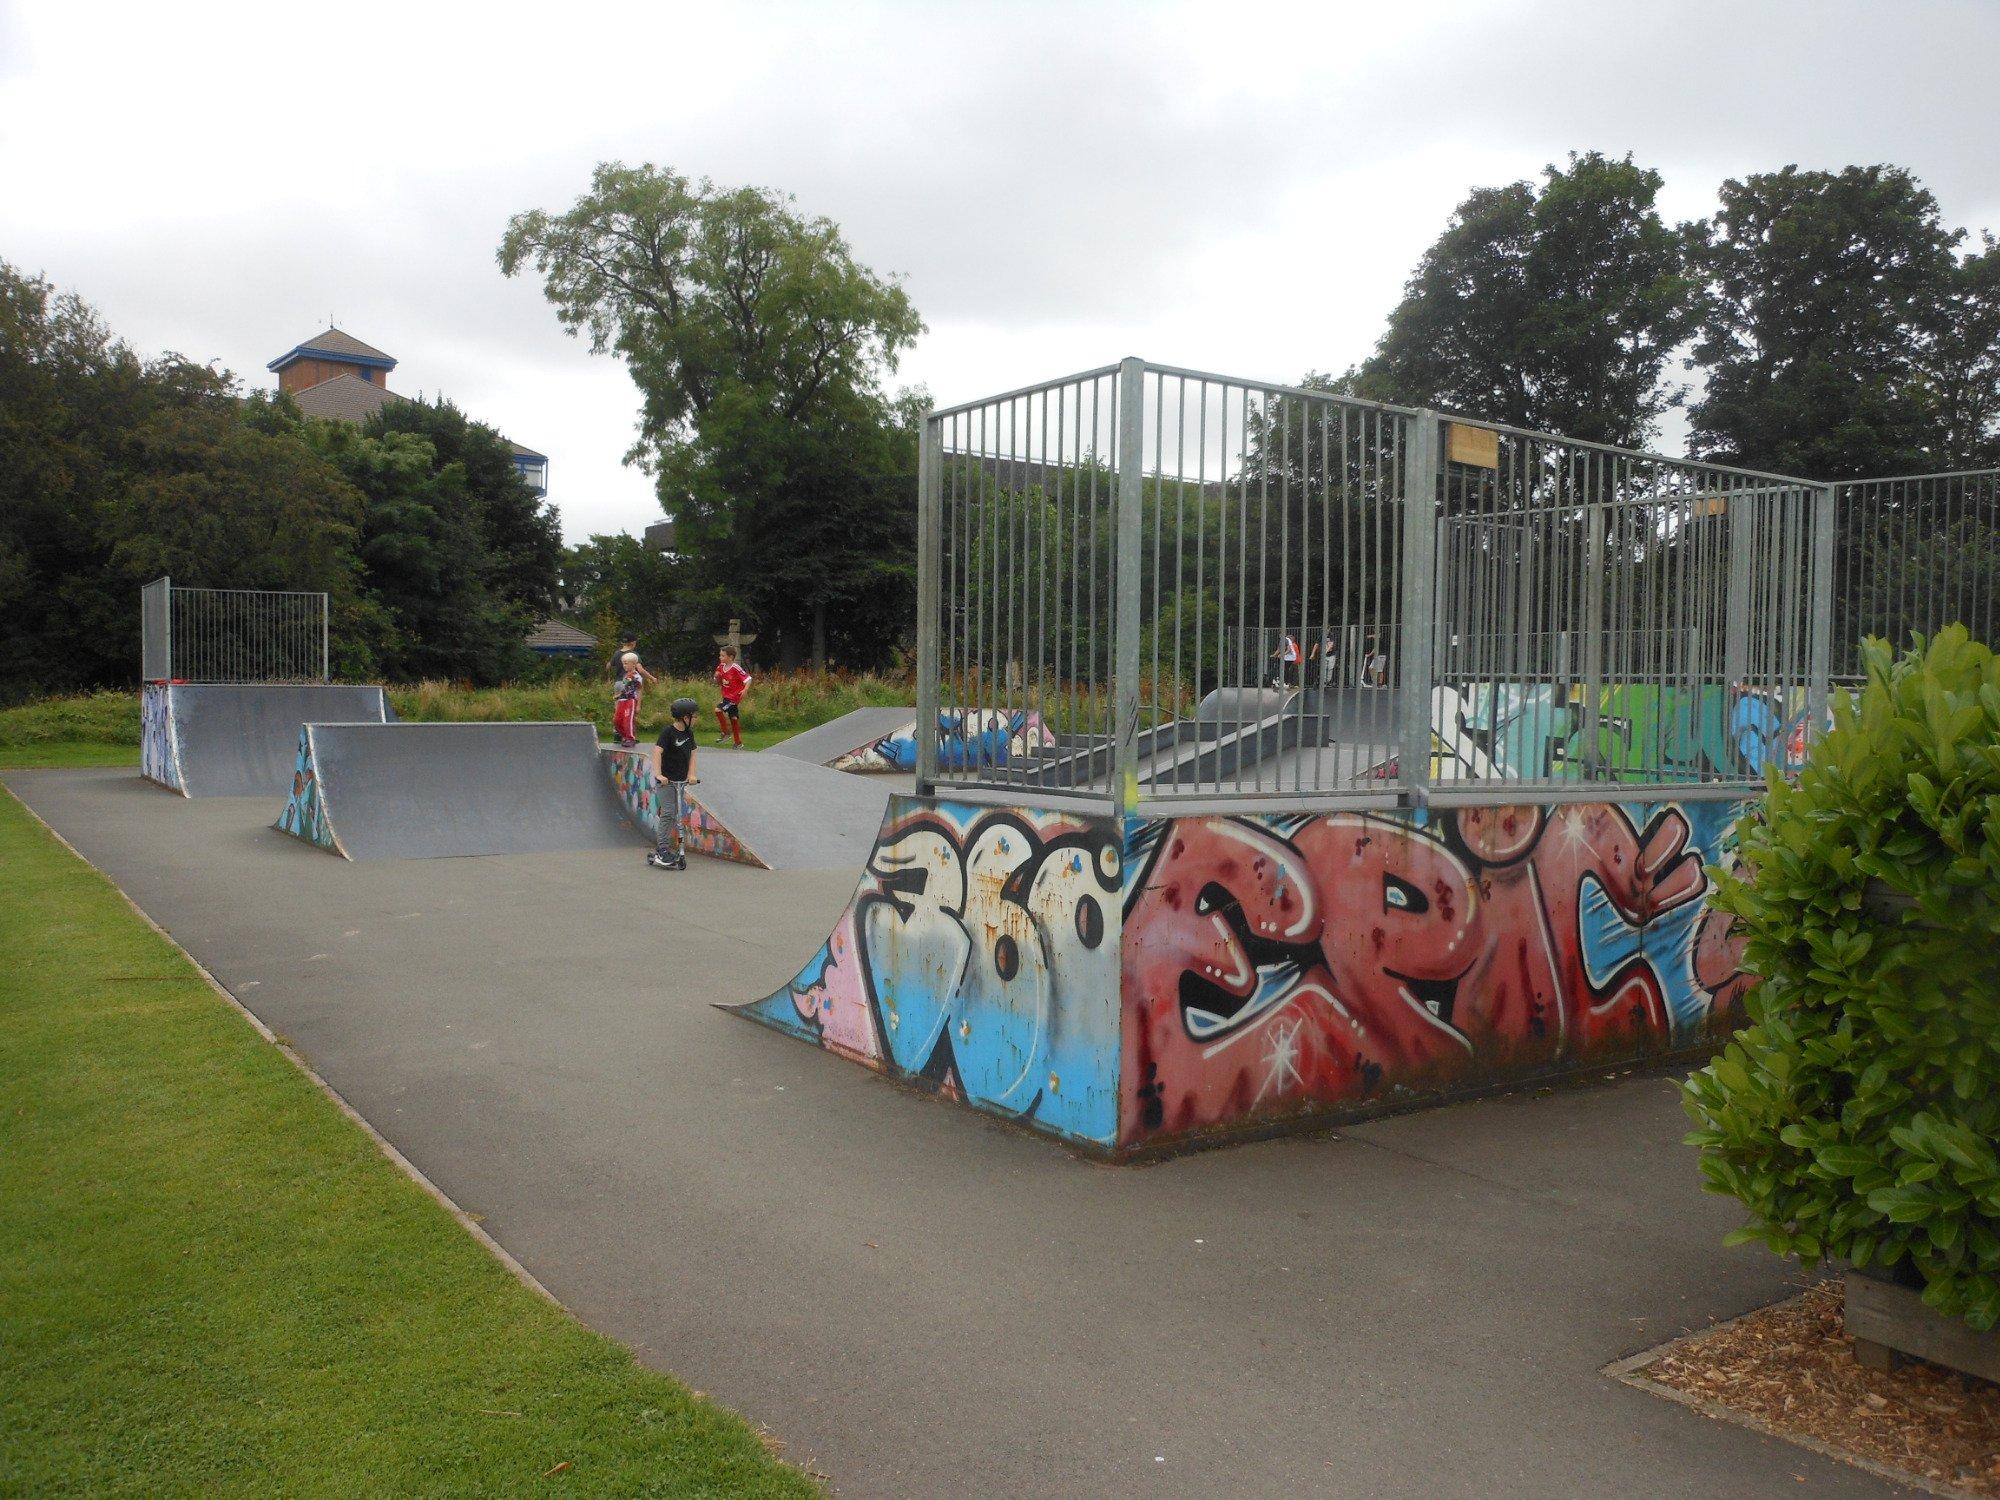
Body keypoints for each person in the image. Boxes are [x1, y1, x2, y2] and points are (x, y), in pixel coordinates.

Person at [647, 697, 700, 870]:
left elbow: (693, 754)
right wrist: (659, 774)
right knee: (668, 813)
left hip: (680, 781)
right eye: (694, 715)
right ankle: (662, 850)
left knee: (676, 813)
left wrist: (691, 774)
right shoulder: (667, 732)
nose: (696, 718)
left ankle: (666, 850)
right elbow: (657, 752)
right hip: (666, 781)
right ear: (685, 717)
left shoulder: (688, 734)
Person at [714, 645, 752, 747]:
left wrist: (745, 689)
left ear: (730, 657)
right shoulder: (721, 666)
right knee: (734, 718)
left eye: (722, 656)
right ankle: (738, 742)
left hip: (734, 698)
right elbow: (718, 680)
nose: (720, 657)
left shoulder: (735, 667)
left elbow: (748, 679)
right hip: (726, 696)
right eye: (720, 655)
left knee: (718, 710)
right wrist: (717, 677)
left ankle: (726, 733)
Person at [612, 651, 650, 749]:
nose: (624, 666)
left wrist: (638, 705)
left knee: (627, 720)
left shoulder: (637, 677)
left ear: (633, 664)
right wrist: (618, 696)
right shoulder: (626, 676)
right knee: (617, 720)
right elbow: (626, 689)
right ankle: (624, 736)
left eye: (626, 663)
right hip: (622, 701)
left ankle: (630, 738)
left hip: (631, 701)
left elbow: (639, 690)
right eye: (623, 663)